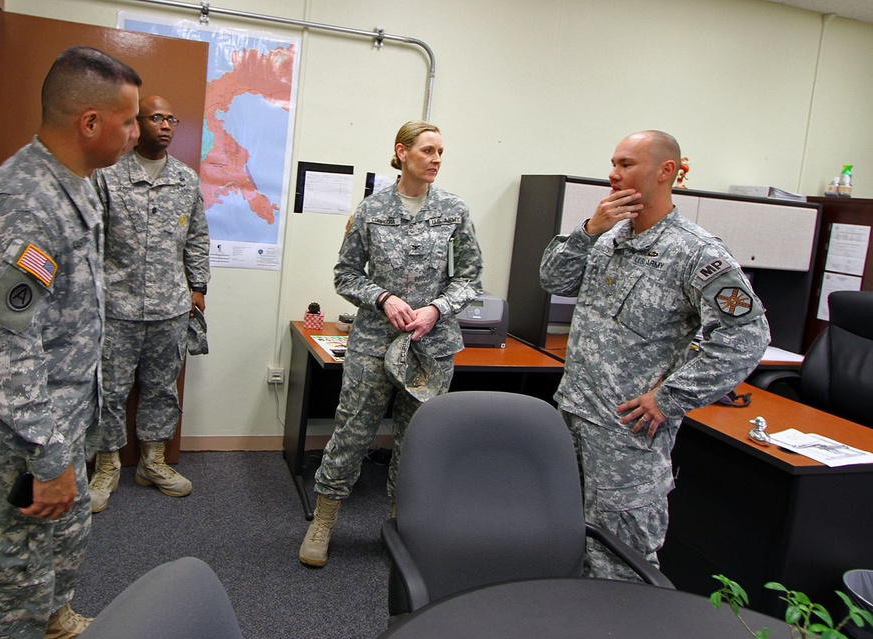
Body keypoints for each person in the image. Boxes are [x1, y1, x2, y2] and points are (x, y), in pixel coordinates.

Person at [0, 46, 141, 639]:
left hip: (59, 424)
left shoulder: (77, 185)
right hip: (18, 444)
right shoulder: (25, 209)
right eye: (128, 120)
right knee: (5, 598)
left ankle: (54, 625)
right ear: (89, 123)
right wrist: (47, 456)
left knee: (58, 557)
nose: (137, 132)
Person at [539, 130, 770, 580]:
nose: (613, 173)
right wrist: (588, 231)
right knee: (565, 540)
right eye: (613, 162)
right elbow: (554, 280)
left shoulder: (696, 252)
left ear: (666, 171)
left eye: (627, 164)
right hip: (574, 414)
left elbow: (747, 336)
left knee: (620, 561)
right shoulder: (608, 237)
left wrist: (669, 398)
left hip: (627, 434)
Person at [298, 120, 484, 568]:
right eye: (427, 150)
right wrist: (382, 297)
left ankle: (405, 525)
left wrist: (437, 308)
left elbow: (469, 279)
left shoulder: (454, 210)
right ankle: (323, 521)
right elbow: (345, 275)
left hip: (430, 346)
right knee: (352, 433)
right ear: (401, 153)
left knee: (417, 441)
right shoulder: (370, 210)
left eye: (441, 151)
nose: (437, 159)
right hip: (373, 345)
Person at [87, 95, 211, 512]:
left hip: (170, 307)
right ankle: (106, 467)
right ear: (136, 124)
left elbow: (196, 236)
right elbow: (90, 240)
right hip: (115, 307)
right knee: (110, 390)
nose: (166, 125)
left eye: (171, 118)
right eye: (156, 117)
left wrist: (199, 287)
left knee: (161, 390)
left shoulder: (186, 180)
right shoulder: (106, 177)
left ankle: (152, 462)